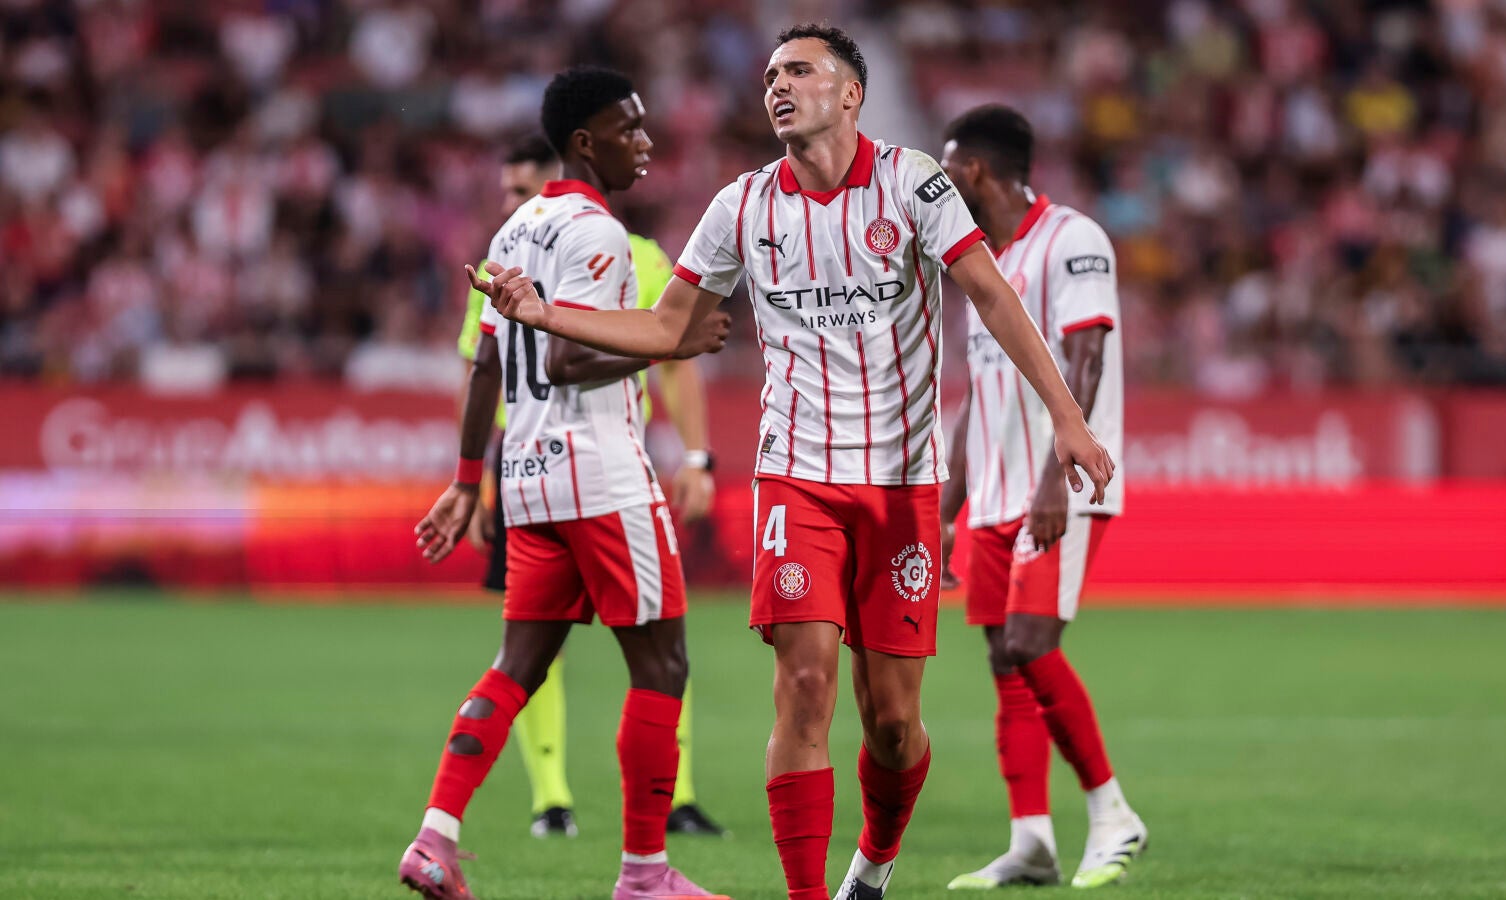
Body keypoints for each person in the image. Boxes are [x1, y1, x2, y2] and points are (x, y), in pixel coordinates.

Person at [470, 26, 1115, 900]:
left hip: (900, 484)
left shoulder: (915, 183)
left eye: (801, 71)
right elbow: (666, 326)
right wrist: (547, 315)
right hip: (796, 477)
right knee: (804, 684)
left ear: (850, 94)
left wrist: (1067, 419)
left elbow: (993, 297)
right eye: (772, 74)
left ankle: (873, 865)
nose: (778, 84)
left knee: (893, 725)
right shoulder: (741, 204)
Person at [401, 67, 730, 900]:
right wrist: (675, 343)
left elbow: (487, 363)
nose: (645, 143)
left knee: (516, 666)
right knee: (663, 666)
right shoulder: (599, 234)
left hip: (528, 479)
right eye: (630, 128)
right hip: (602, 474)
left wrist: (467, 481)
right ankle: (645, 875)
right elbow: (568, 358)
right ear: (586, 141)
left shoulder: (514, 230)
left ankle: (435, 837)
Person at [457, 134, 726, 841]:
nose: (513, 204)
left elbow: (485, 367)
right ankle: (566, 806)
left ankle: (445, 826)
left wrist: (697, 455)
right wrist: (473, 483)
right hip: (589, 468)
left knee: (526, 653)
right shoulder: (546, 247)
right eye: (507, 193)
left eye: (522, 190)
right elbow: (497, 369)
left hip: (537, 470)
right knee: (654, 645)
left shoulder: (544, 249)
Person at [935, 105, 1148, 890]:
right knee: (1004, 659)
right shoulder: (981, 265)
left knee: (1030, 644)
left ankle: (1113, 814)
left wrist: (1058, 478)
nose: (940, 184)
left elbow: (1086, 360)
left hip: (1060, 486)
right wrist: (947, 508)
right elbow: (977, 394)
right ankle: (1031, 841)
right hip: (995, 495)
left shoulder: (1073, 239)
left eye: (947, 170)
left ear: (977, 171)